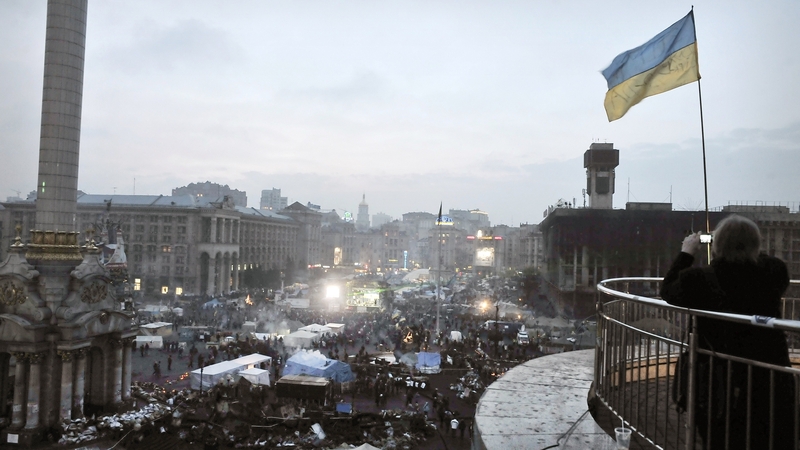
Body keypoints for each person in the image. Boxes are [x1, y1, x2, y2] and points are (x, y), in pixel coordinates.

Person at [661, 215, 795, 450]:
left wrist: (687, 253)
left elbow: (668, 290)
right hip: (771, 378)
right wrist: (744, 244)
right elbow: (764, 260)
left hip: (720, 383)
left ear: (717, 245)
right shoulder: (775, 272)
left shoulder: (699, 279)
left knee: (721, 440)